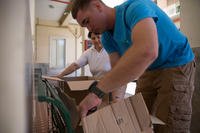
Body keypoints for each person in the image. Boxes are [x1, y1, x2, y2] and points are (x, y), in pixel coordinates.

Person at [71, 0, 196, 133]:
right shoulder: (107, 38)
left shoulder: (135, 8)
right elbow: (119, 74)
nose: (89, 29)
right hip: (150, 69)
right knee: (139, 118)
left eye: (87, 21)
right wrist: (115, 106)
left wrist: (96, 93)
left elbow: (147, 51)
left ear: (97, 6)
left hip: (175, 62)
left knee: (170, 124)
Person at [56, 32, 126, 105]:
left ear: (103, 37)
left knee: (115, 104)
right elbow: (75, 65)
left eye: (98, 37)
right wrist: (61, 75)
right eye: (93, 38)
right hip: (100, 83)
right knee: (100, 105)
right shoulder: (88, 53)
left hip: (116, 81)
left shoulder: (111, 48)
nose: (96, 40)